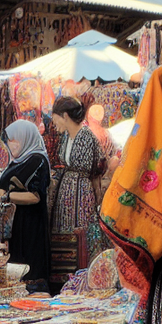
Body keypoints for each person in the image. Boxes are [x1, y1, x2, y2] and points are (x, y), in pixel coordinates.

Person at [47, 96, 115, 284]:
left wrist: (97, 197)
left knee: (81, 232)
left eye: (56, 119)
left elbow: (96, 168)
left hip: (81, 193)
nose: (54, 124)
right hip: (66, 192)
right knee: (64, 231)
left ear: (65, 116)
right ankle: (63, 278)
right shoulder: (65, 138)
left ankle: (80, 276)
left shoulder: (86, 136)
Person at [0, 119, 52, 290]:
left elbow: (35, 196)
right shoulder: (19, 160)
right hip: (15, 224)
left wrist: (5, 197)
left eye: (13, 139)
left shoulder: (37, 161)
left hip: (30, 224)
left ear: (24, 138)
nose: (10, 144)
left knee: (30, 268)